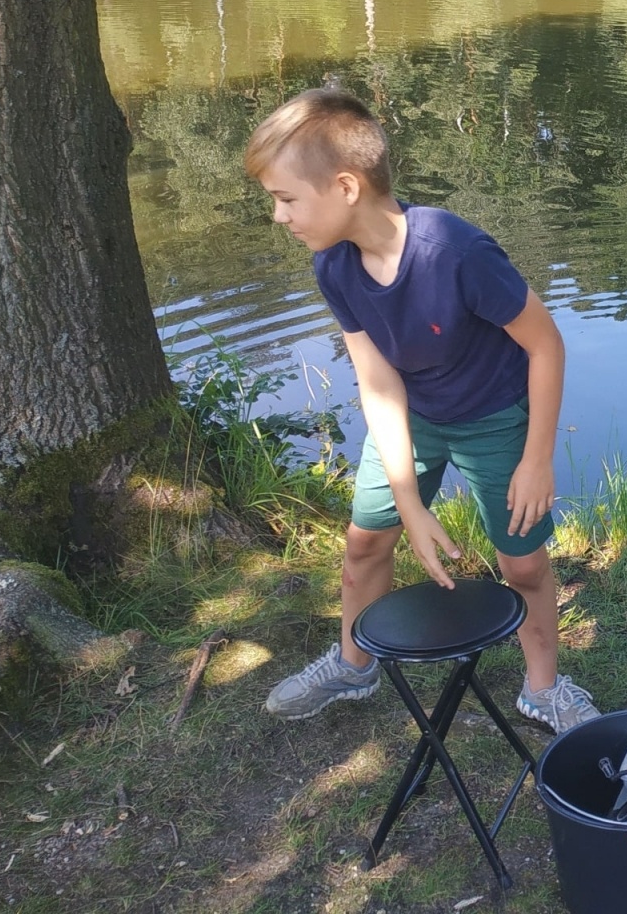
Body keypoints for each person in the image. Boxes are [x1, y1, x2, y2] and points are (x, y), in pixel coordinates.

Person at [248, 89, 600, 733]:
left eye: (286, 198)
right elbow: (377, 381)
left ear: (346, 186)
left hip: (495, 415)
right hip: (411, 415)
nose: (279, 216)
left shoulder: (454, 253)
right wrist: (409, 501)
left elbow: (545, 343)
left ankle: (544, 688)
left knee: (522, 563)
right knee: (365, 543)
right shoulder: (334, 268)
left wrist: (536, 459)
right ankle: (354, 664)